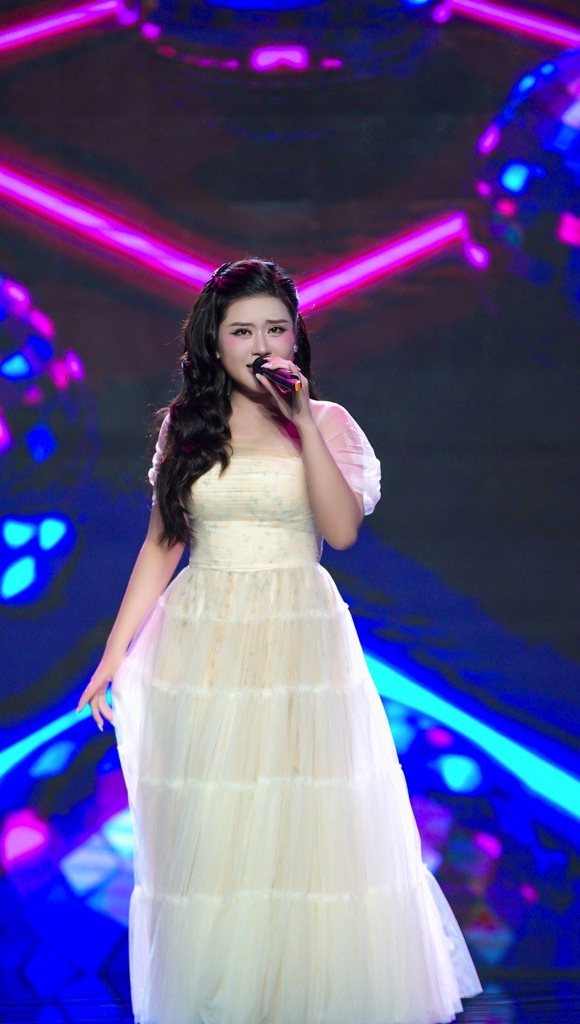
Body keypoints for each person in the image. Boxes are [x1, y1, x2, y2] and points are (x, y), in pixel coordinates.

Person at [76, 258, 483, 1024]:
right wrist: (112, 654)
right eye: (242, 331)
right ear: (214, 342)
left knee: (305, 826)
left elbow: (341, 531)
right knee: (215, 832)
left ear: (295, 337)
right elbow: (163, 543)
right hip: (201, 642)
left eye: (274, 328)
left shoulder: (327, 422)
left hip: (299, 639)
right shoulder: (186, 427)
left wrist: (300, 421)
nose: (261, 345)